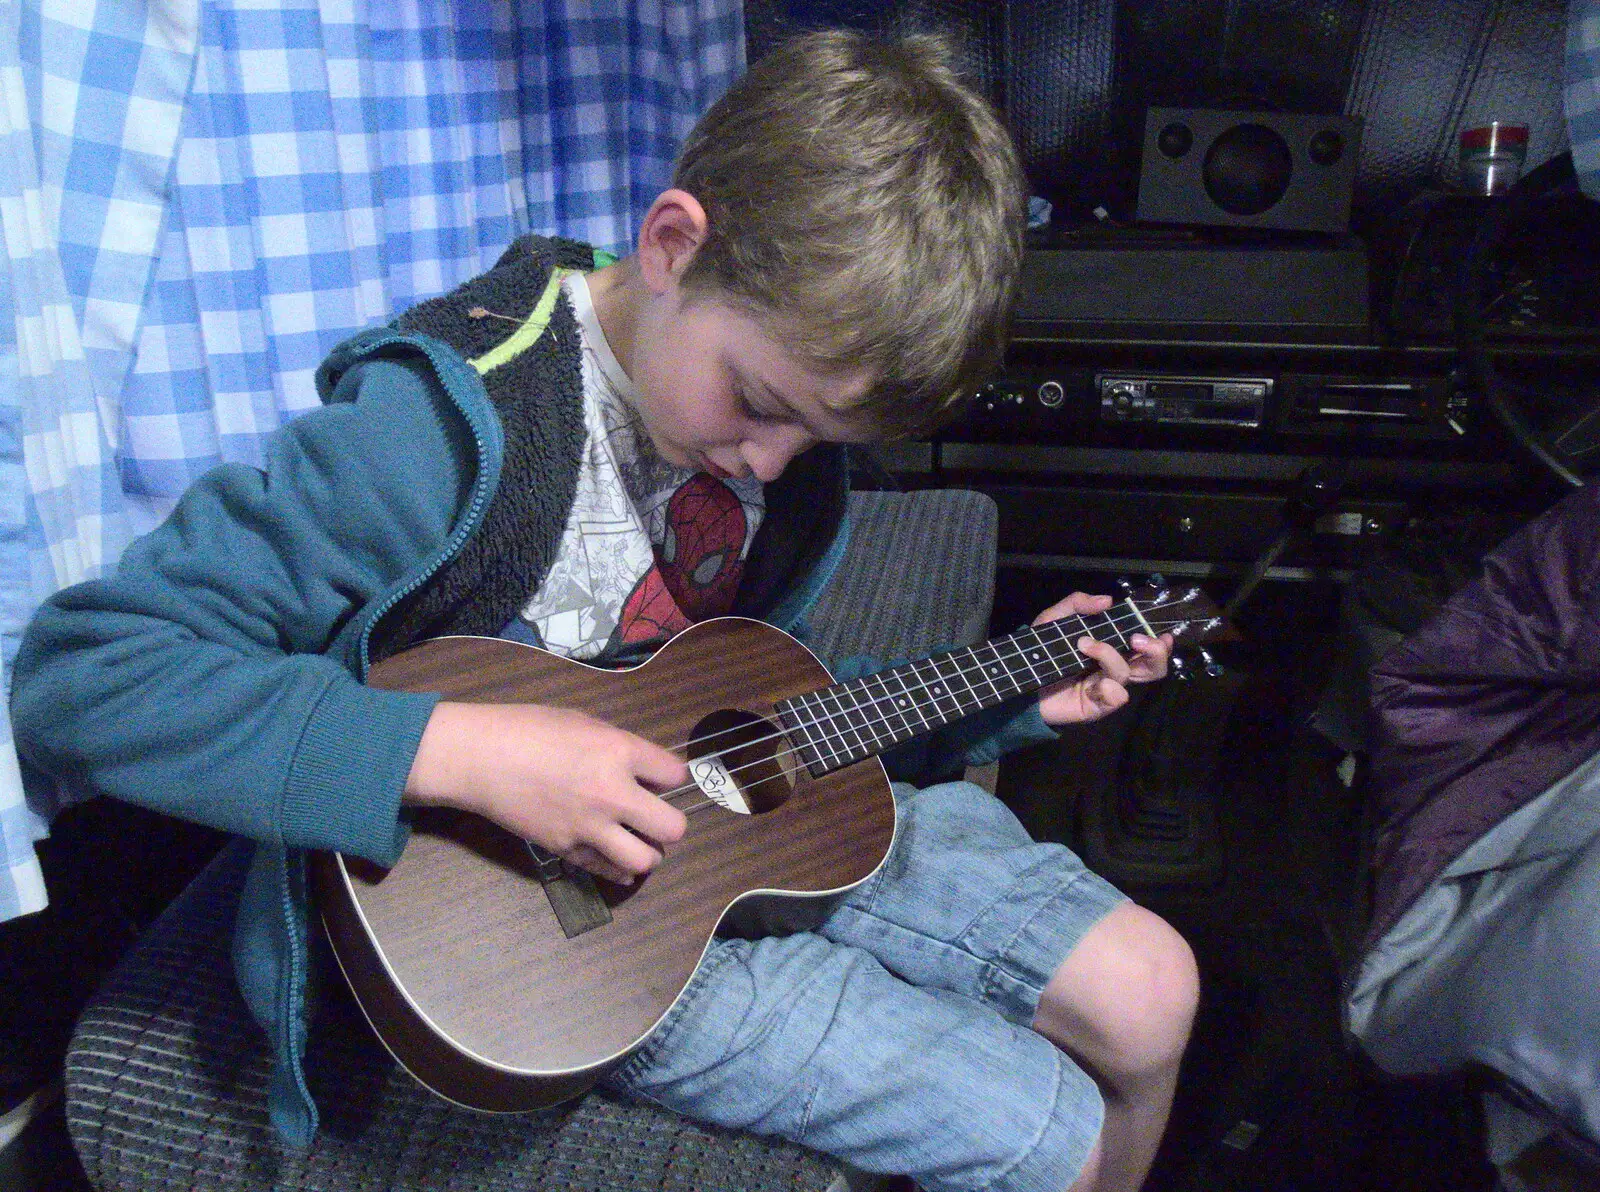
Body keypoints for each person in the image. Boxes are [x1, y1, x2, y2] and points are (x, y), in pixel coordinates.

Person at [10, 30, 1196, 1192]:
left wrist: (1000, 696)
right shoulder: (425, 434)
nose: (770, 467)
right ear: (674, 242)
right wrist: (460, 748)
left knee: (1154, 987)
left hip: (720, 836)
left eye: (820, 439)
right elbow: (81, 673)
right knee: (1045, 1127)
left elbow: (753, 705)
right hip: (541, 928)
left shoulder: (770, 449)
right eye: (758, 402)